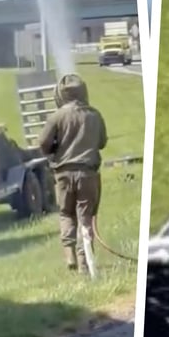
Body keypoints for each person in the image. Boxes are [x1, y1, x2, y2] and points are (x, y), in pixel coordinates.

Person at [38, 73, 108, 273]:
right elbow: (102, 143)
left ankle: (69, 254)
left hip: (63, 174)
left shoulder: (56, 117)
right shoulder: (95, 115)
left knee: (66, 213)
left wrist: (56, 149)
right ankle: (85, 263)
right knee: (85, 217)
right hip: (88, 174)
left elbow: (43, 144)